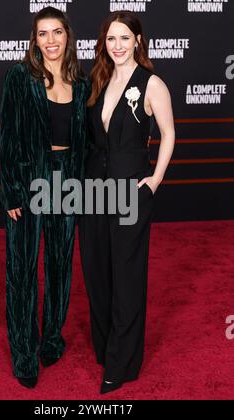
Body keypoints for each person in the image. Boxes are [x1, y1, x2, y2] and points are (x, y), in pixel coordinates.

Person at [78, 11, 175, 394]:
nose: (117, 46)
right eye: (111, 39)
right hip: (91, 190)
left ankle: (121, 363)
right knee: (97, 270)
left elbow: (168, 134)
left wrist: (155, 180)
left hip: (131, 190)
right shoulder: (97, 80)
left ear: (138, 40)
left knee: (128, 276)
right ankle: (106, 347)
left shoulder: (152, 84)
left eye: (124, 38)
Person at [0, 6, 89, 389]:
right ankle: (23, 350)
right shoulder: (20, 78)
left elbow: (86, 143)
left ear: (68, 36)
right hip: (28, 181)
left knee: (59, 264)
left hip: (67, 181)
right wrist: (12, 191)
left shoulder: (81, 82)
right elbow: (8, 138)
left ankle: (52, 335)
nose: (50, 41)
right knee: (22, 270)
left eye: (57, 33)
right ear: (34, 40)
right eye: (42, 34)